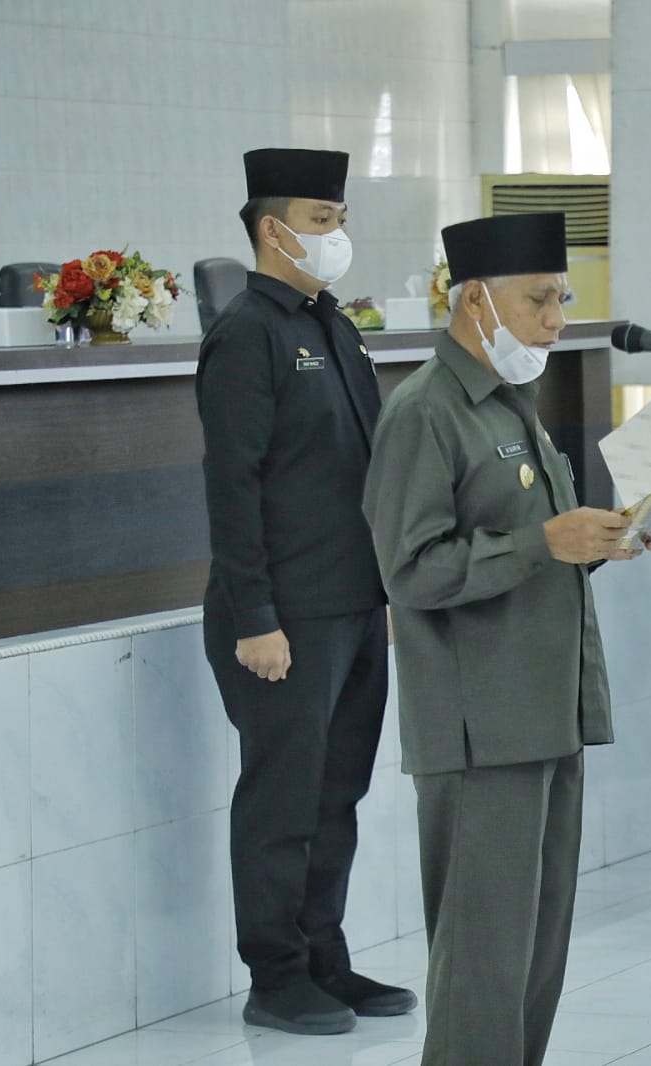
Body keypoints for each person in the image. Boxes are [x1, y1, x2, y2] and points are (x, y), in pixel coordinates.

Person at [362, 212, 644, 1066]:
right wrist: (541, 544)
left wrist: (598, 540)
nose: (556, 320)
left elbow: (538, 544)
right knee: (482, 958)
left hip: (545, 707)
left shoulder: (513, 403)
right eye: (539, 300)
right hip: (481, 723)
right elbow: (407, 571)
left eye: (560, 298)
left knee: (535, 954)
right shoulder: (425, 412)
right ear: (474, 299)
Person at [197, 147, 415, 1035]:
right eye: (322, 221)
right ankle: (274, 973)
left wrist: (385, 595)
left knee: (337, 795)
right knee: (283, 801)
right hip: (282, 618)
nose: (337, 235)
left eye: (339, 219)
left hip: (354, 606)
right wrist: (256, 617)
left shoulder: (334, 325)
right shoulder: (246, 331)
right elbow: (232, 484)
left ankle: (325, 956)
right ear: (270, 229)